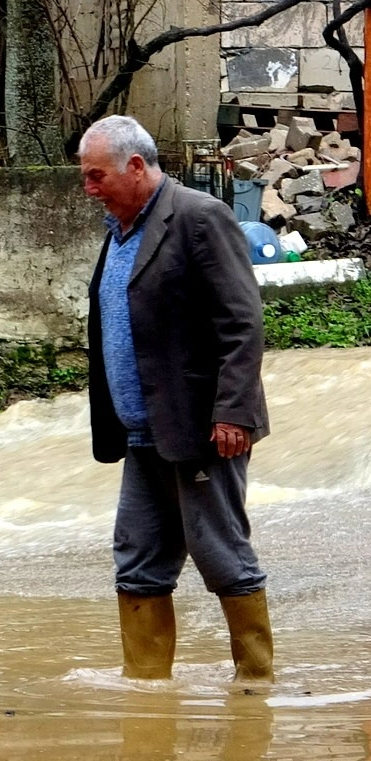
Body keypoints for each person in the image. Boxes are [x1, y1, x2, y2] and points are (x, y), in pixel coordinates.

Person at [79, 115, 273, 681]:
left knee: (221, 555)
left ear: (135, 167)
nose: (89, 189)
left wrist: (233, 411)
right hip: (142, 434)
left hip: (199, 428)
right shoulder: (118, 230)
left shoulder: (199, 217)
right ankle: (145, 689)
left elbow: (242, 322)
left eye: (96, 177)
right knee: (137, 560)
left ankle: (256, 686)